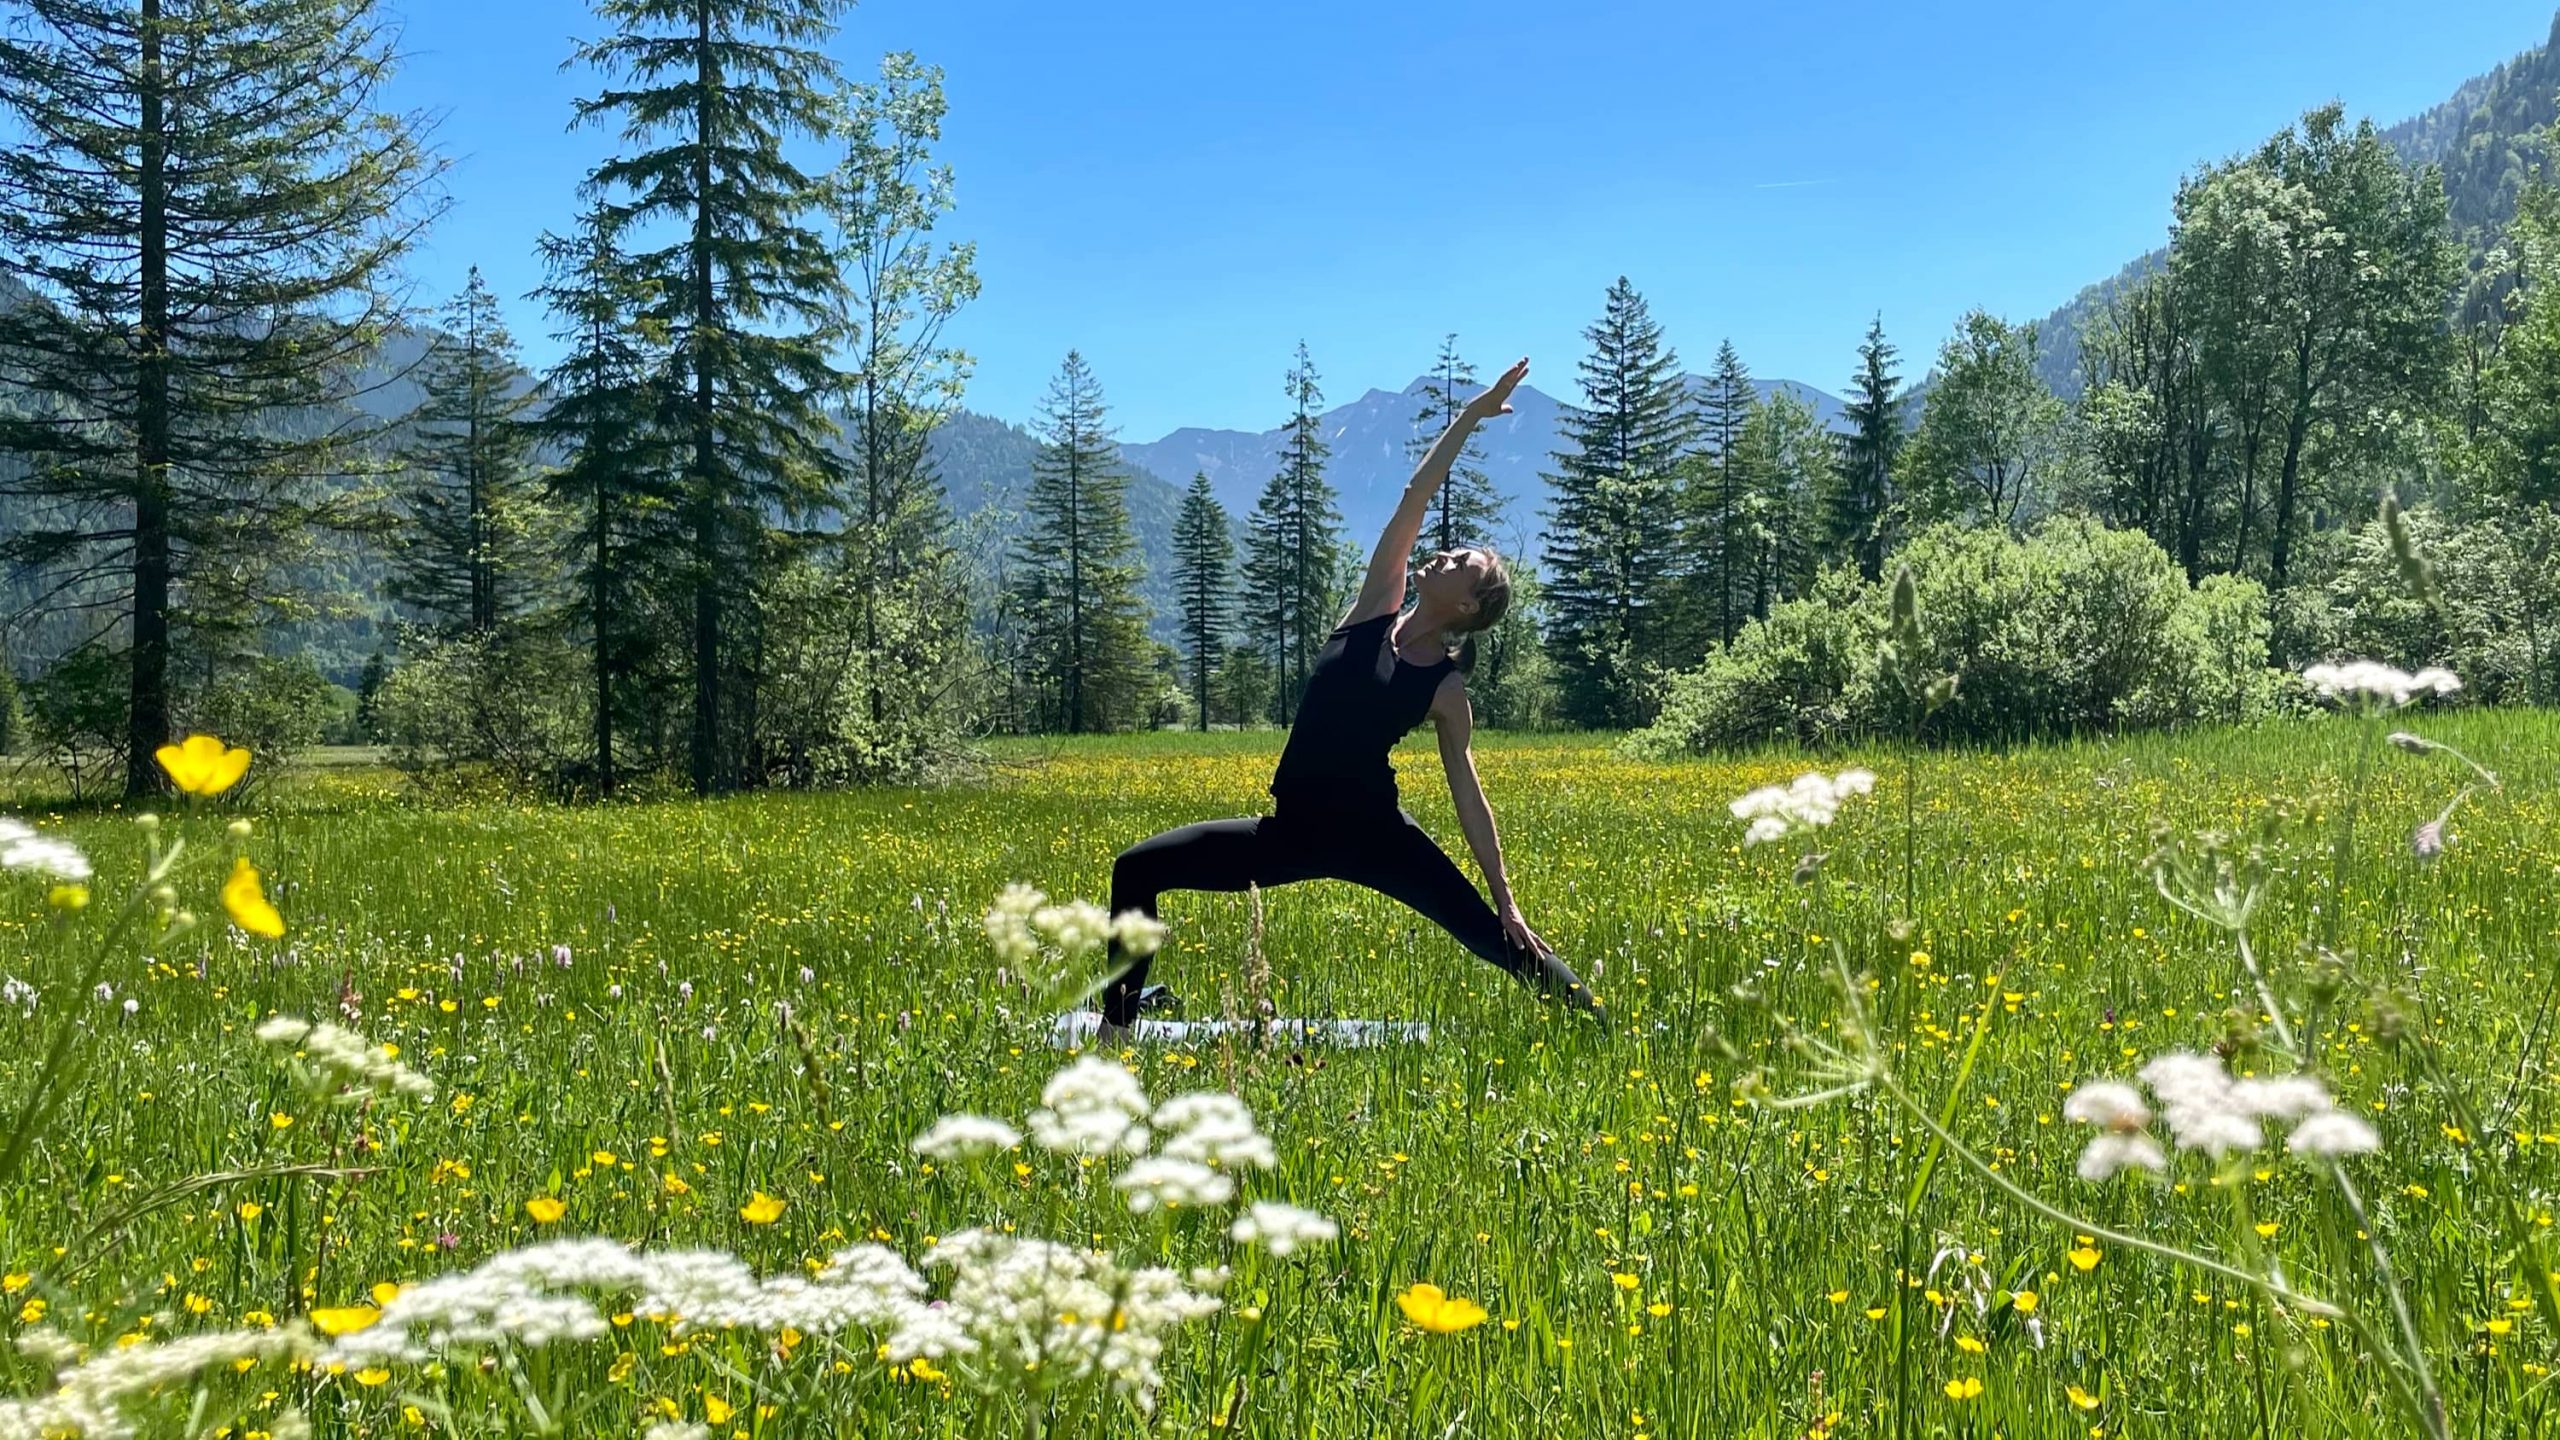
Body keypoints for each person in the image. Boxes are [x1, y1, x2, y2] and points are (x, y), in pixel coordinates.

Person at [1096, 357, 1602, 1037]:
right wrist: (1471, 417)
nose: (1445, 555)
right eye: (1452, 551)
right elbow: (1415, 494)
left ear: (1469, 605)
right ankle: (1116, 1030)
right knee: (1137, 870)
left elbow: (1469, 797)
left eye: (1462, 565)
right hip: (1290, 832)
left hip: (1377, 839)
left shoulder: (1445, 688)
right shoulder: (1373, 610)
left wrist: (1507, 900)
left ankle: (1603, 1027)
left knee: (1498, 940)